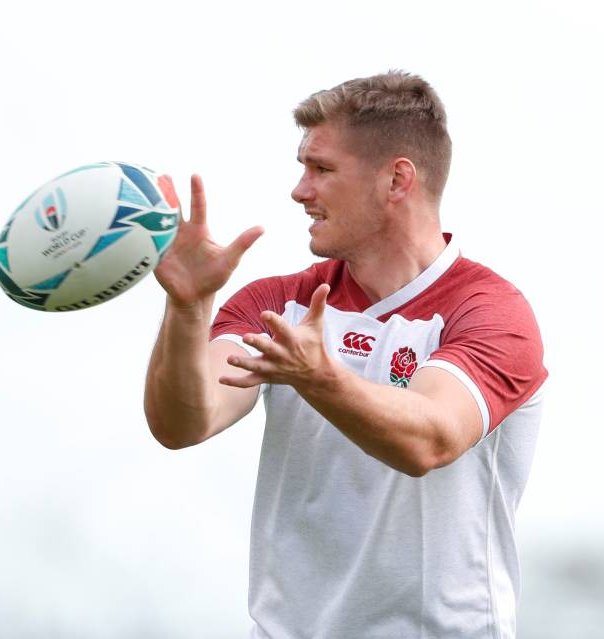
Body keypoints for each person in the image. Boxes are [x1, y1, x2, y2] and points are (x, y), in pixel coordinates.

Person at [143, 71, 547, 639]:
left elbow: (428, 439)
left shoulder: (491, 312)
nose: (299, 190)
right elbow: (183, 422)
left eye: (322, 169)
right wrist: (188, 309)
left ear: (397, 180)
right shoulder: (276, 301)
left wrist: (320, 378)